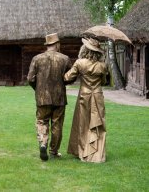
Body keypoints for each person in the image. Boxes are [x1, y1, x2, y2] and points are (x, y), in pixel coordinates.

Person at [27, 33, 72, 161]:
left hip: (42, 97)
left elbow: (30, 78)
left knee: (42, 121)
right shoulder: (65, 58)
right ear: (57, 44)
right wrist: (64, 83)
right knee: (57, 124)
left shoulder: (37, 58)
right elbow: (71, 76)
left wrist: (38, 89)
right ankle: (53, 151)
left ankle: (43, 143)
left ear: (47, 45)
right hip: (59, 98)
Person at [64, 38, 108, 163]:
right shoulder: (102, 66)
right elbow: (104, 82)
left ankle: (83, 151)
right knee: (98, 124)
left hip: (84, 95)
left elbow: (67, 77)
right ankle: (97, 155)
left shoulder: (80, 63)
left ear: (85, 49)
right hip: (98, 96)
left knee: (83, 124)